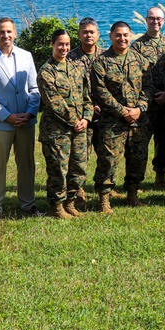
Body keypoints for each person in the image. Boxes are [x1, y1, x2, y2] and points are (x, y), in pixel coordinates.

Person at [0, 17, 41, 220]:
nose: (6, 35)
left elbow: (34, 88)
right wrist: (7, 116)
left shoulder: (26, 56)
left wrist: (30, 112)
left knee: (27, 164)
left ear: (15, 33)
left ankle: (28, 204)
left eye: (9, 31)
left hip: (25, 121)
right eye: (2, 32)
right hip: (0, 123)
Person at [93, 21, 153, 210]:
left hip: (138, 121)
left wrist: (139, 108)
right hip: (112, 122)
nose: (122, 38)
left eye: (126, 35)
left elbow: (148, 87)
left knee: (138, 159)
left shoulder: (140, 60)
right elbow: (100, 92)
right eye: (118, 35)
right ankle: (104, 198)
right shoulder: (101, 62)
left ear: (130, 36)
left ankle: (132, 195)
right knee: (108, 160)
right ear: (110, 36)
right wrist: (122, 111)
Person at [38, 30, 93, 219]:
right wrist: (75, 121)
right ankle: (57, 206)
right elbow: (55, 103)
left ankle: (70, 202)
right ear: (52, 45)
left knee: (78, 168)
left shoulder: (77, 67)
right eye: (60, 44)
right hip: (57, 131)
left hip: (79, 129)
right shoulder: (47, 71)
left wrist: (86, 118)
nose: (64, 48)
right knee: (58, 170)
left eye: (67, 44)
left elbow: (87, 97)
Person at [131, 6, 165, 188]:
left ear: (164, 21)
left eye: (159, 19)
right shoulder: (136, 46)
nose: (155, 22)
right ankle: (135, 179)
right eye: (152, 18)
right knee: (139, 142)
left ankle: (160, 175)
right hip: (145, 102)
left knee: (164, 141)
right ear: (146, 20)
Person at [69, 17, 103, 209]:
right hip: (81, 115)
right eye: (85, 32)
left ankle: (103, 188)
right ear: (79, 34)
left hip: (105, 114)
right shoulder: (71, 58)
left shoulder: (106, 55)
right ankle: (79, 190)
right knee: (80, 155)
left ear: (98, 34)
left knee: (106, 155)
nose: (88, 35)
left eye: (92, 32)